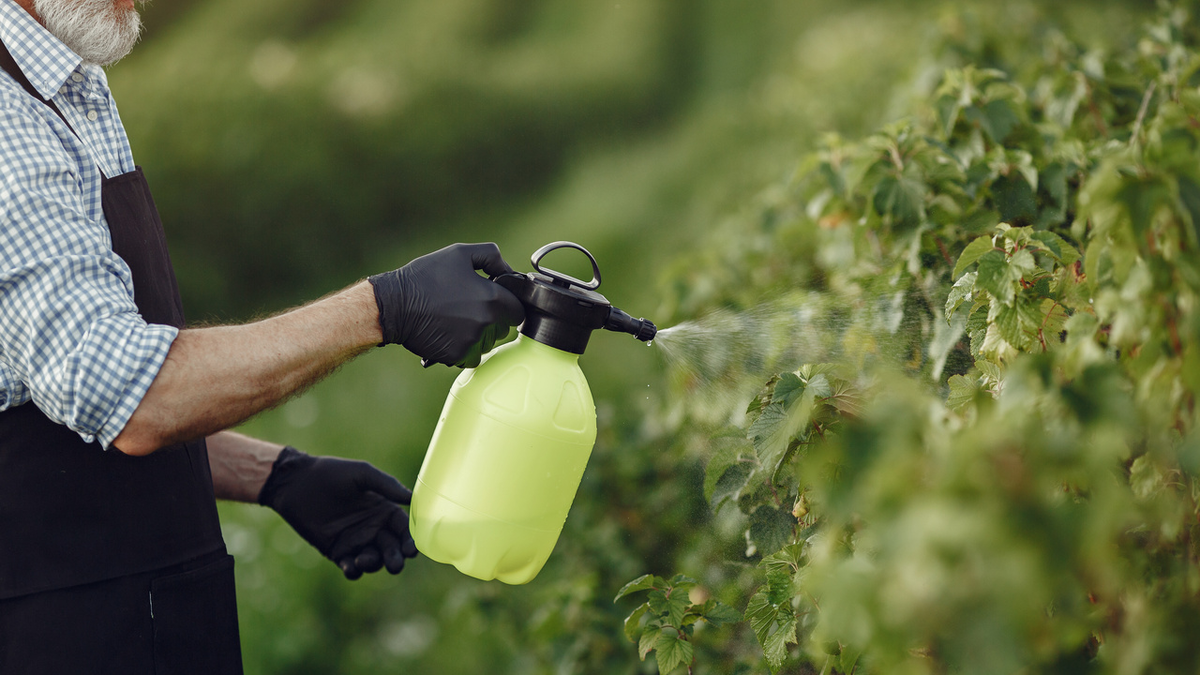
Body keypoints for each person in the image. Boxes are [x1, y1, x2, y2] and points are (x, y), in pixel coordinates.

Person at [0, 0, 525, 671]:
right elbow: (137, 397)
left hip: (155, 616)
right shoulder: (8, 129)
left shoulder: (73, 82)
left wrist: (275, 475)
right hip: (62, 634)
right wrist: (382, 307)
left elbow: (64, 393)